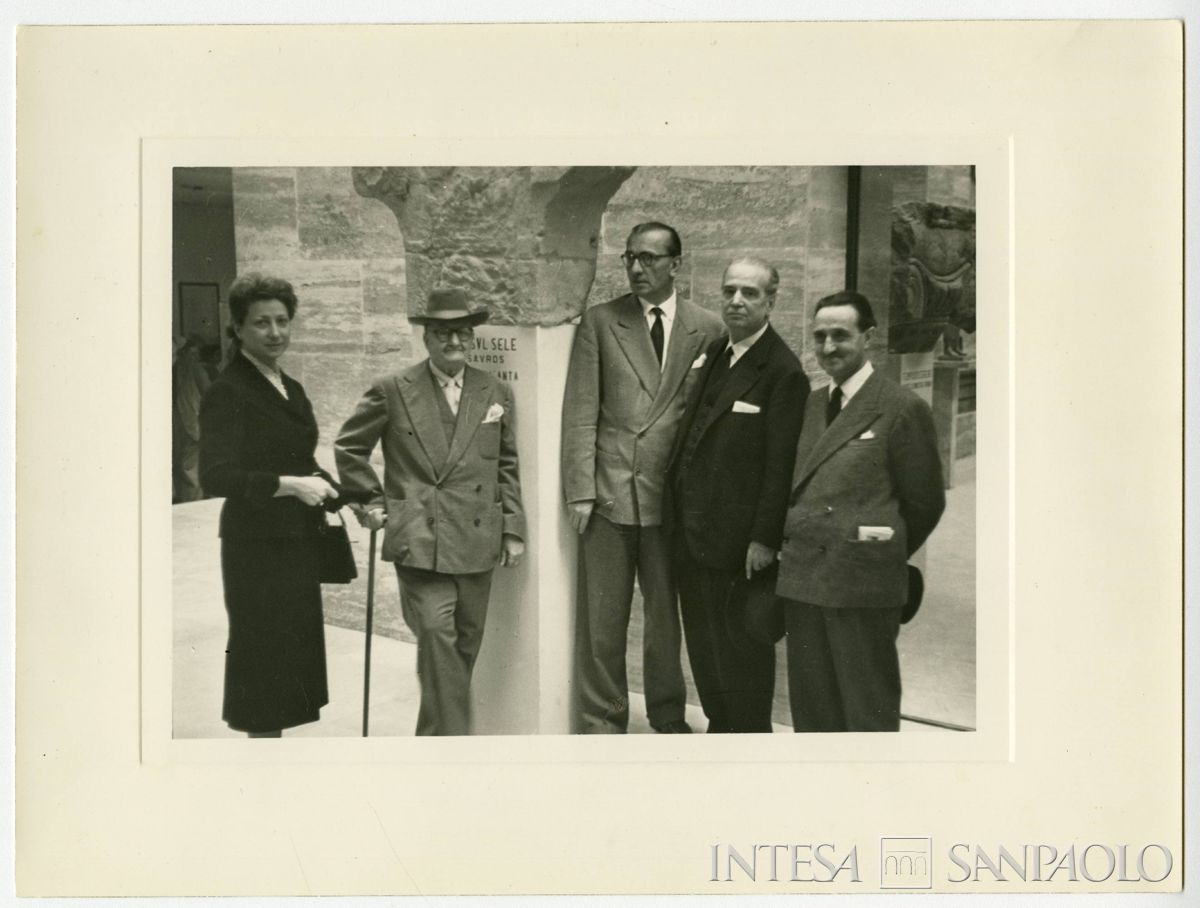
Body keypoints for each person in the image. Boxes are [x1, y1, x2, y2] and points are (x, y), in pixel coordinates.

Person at [334, 287, 525, 736]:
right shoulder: (393, 390)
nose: (453, 341)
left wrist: (513, 528)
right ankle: (457, 748)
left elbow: (506, 464)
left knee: (462, 650)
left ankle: (431, 746)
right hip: (421, 539)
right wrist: (373, 503)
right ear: (426, 337)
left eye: (461, 332)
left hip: (478, 539)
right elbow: (349, 449)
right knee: (438, 638)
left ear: (472, 336)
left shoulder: (494, 391)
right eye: (442, 332)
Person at [561, 221, 725, 734]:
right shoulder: (601, 322)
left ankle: (668, 714)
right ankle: (602, 717)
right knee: (603, 624)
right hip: (609, 495)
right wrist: (580, 490)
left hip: (669, 502)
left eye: (650, 258)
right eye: (630, 257)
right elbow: (581, 411)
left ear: (676, 264)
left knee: (664, 621)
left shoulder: (710, 329)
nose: (637, 267)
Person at [776, 290, 946, 732]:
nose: (828, 347)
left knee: (866, 708)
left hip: (862, 583)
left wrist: (872, 543)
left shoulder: (901, 407)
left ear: (867, 337)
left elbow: (925, 502)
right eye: (819, 337)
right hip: (804, 583)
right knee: (813, 711)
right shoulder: (812, 404)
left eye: (840, 336)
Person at [666, 257, 809, 733]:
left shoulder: (783, 371)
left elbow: (780, 466)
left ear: (772, 301)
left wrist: (765, 540)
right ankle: (720, 735)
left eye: (750, 292)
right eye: (729, 291)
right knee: (706, 656)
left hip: (738, 550)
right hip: (692, 540)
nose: (736, 301)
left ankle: (748, 746)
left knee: (742, 658)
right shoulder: (714, 352)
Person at [199, 273, 341, 738]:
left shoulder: (290, 387)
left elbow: (303, 462)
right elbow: (216, 475)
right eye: (262, 323)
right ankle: (261, 767)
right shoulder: (228, 390)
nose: (275, 332)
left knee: (290, 662)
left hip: (295, 541)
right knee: (263, 665)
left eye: (282, 321)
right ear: (238, 328)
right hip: (254, 546)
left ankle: (275, 762)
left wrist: (355, 499)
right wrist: (289, 486)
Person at [172, 334, 213, 502]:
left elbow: (211, 395)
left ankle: (191, 512)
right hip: (168, 425)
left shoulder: (192, 368)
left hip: (190, 425)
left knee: (190, 471)